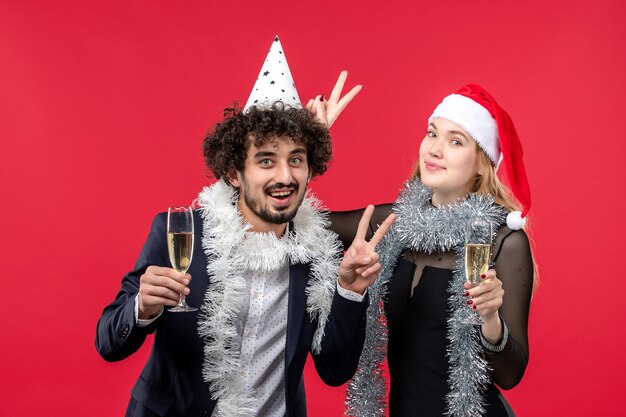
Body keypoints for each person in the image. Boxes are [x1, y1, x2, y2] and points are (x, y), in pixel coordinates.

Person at [95, 37, 395, 417]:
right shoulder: (180, 234)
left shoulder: (318, 252)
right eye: (266, 161)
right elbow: (108, 342)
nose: (285, 176)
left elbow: (335, 372)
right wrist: (142, 307)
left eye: (296, 160)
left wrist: (349, 293)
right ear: (233, 173)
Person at [313, 84, 534, 417]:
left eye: (455, 141)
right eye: (432, 134)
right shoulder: (392, 224)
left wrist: (490, 320)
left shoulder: (502, 240)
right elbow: (292, 219)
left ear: (480, 163)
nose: (435, 149)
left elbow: (510, 374)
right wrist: (305, 142)